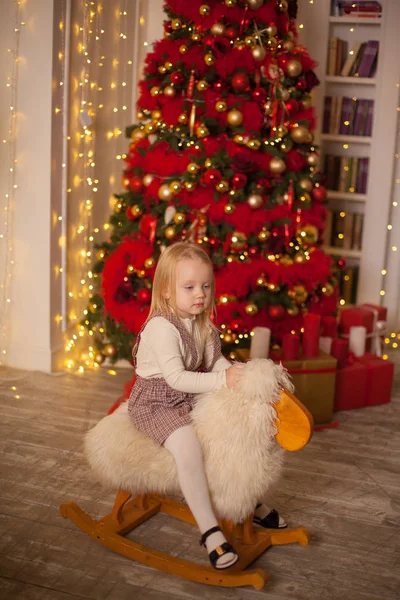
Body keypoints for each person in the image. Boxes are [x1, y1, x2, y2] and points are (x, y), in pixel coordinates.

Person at [128, 242, 284, 570]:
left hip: (187, 393)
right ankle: (210, 531)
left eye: (205, 285)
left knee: (231, 426)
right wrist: (222, 380)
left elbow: (215, 364)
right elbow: (176, 379)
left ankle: (248, 500)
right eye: (189, 287)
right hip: (156, 401)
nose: (200, 294)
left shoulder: (202, 324)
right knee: (188, 448)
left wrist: (240, 379)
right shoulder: (161, 328)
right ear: (167, 291)